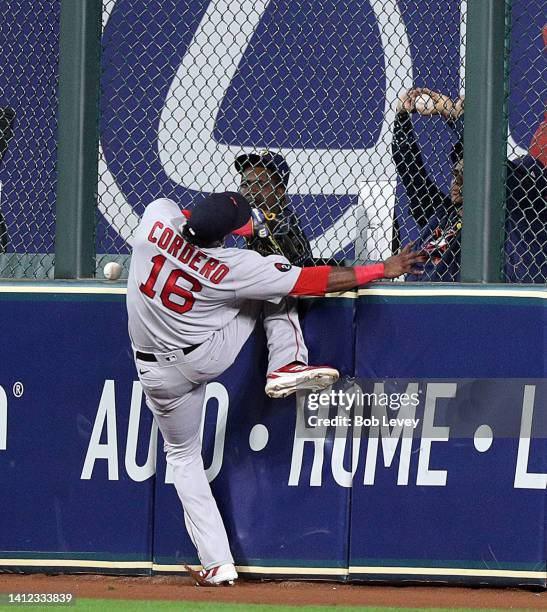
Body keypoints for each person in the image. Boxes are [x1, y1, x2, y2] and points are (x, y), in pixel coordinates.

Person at [126, 191, 424, 585]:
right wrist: (379, 270)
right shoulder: (235, 265)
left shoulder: (154, 218)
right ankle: (284, 362)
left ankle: (218, 564)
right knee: (273, 283)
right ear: (227, 233)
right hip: (205, 356)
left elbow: (188, 216)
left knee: (181, 457)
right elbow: (310, 280)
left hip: (154, 370)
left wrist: (234, 224)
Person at [393, 88, 547, 283]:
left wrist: (457, 115)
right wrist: (402, 118)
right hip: (414, 304)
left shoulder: (517, 217)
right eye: (457, 174)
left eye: (468, 177)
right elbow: (410, 171)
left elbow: (489, 159)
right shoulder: (444, 216)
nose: (458, 183)